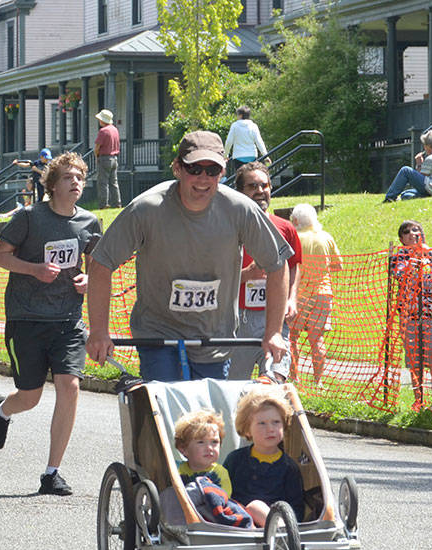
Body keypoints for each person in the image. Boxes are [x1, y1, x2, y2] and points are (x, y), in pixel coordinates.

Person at [86, 130, 292, 381]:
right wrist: (99, 331)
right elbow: (101, 263)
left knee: (205, 419)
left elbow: (278, 264)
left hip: (213, 337)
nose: (203, 178)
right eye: (194, 169)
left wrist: (273, 332)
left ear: (223, 171)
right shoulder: (147, 209)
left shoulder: (240, 210)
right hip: (159, 334)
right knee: (166, 410)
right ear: (177, 168)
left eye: (212, 170)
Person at [0, 152, 100, 496]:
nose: (76, 182)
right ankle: (3, 409)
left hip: (68, 320)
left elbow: (95, 266)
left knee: (70, 386)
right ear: (52, 185)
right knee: (31, 397)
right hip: (27, 318)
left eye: (79, 177)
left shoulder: (90, 222)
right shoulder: (29, 218)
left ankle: (52, 472)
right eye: (68, 177)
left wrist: (87, 281)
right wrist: (34, 269)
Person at [229, 162, 302, 382]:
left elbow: (295, 264)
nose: (260, 191)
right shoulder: (227, 227)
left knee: (274, 380)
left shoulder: (284, 227)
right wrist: (245, 275)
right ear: (240, 192)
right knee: (232, 387)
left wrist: (292, 298)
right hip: (236, 318)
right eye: (252, 186)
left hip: (274, 316)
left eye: (264, 185)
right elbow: (215, 277)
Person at [163, 409, 265, 529]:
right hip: (191, 516)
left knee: (255, 506)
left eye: (214, 442)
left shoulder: (219, 471)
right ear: (183, 449)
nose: (209, 448)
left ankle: (275, 531)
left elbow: (222, 498)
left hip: (217, 515)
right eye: (201, 442)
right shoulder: (178, 471)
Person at [390, 221, 432, 411]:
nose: (413, 234)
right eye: (407, 232)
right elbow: (399, 274)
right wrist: (415, 262)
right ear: (401, 239)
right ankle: (418, 398)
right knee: (414, 359)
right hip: (410, 317)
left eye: (416, 230)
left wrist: (426, 258)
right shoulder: (398, 256)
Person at [222, 388, 302, 516]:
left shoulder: (289, 467)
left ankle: (278, 530)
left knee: (256, 507)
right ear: (247, 429)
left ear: (284, 425)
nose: (270, 429)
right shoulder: (235, 459)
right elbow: (220, 493)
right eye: (262, 423)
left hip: (274, 521)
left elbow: (296, 509)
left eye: (276, 422)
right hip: (236, 519)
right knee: (253, 507)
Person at [287, 203, 342, 388]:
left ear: (295, 220)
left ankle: (295, 377)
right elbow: (338, 266)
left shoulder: (294, 238)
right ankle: (318, 381)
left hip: (298, 294)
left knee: (291, 336)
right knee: (317, 338)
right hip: (323, 294)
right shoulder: (326, 237)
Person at [383, 129, 432, 202]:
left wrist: (419, 163)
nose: (424, 147)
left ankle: (389, 197)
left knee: (405, 170)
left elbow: (421, 177)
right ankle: (410, 197)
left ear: (429, 146)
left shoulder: (431, 158)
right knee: (405, 194)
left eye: (424, 145)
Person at [223, 105, 268, 176]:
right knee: (251, 176)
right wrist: (266, 155)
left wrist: (225, 155)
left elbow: (229, 142)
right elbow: (259, 142)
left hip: (238, 156)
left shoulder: (234, 126)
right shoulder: (253, 126)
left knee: (240, 178)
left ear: (240, 115)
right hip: (252, 156)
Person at [93, 108, 121, 208]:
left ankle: (103, 204)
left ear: (103, 120)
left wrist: (96, 156)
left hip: (104, 158)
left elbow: (97, 147)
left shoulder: (103, 131)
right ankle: (117, 203)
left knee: (103, 183)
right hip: (114, 158)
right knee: (114, 183)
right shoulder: (115, 130)